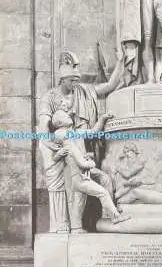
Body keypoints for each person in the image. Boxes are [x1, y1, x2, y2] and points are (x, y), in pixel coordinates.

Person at [38, 48, 124, 232]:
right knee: (76, 193)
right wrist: (57, 148)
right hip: (65, 153)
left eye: (76, 80)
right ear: (62, 79)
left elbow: (110, 85)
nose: (75, 84)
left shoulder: (83, 91)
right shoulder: (49, 98)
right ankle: (77, 227)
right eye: (71, 80)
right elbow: (44, 127)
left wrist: (121, 61)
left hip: (82, 149)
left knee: (97, 184)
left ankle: (107, 218)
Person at [50, 109, 130, 230]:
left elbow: (94, 131)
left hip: (84, 172)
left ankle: (108, 213)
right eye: (65, 117)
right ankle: (79, 227)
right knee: (79, 200)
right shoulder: (67, 141)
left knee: (104, 180)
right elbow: (56, 155)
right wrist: (62, 154)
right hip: (78, 172)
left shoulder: (78, 133)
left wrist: (103, 118)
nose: (69, 116)